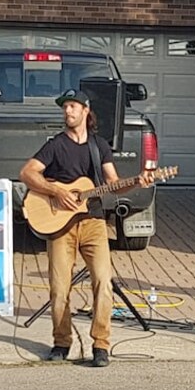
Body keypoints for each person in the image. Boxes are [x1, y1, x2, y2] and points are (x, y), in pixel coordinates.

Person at [19, 88, 153, 367]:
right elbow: (28, 173)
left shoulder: (99, 145)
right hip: (60, 227)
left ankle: (101, 345)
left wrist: (138, 181)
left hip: (93, 222)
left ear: (85, 111)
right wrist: (55, 191)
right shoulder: (55, 145)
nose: (67, 111)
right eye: (65, 107)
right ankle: (61, 342)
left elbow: (113, 184)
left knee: (103, 282)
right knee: (59, 287)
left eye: (72, 107)